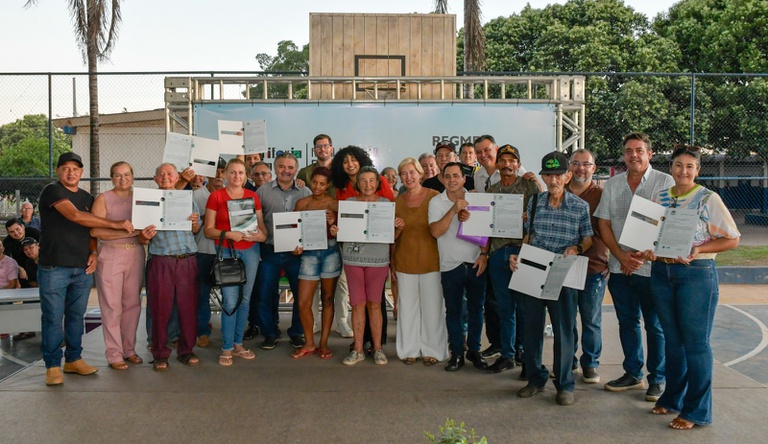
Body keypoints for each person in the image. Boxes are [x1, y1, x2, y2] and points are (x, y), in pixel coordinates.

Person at [644, 145, 740, 430]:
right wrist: (650, 250)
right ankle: (673, 398)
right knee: (673, 342)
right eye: (677, 165)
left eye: (689, 166)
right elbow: (651, 235)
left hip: (695, 274)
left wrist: (698, 251)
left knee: (696, 345)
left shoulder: (708, 199)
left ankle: (697, 411)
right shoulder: (661, 196)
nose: (682, 171)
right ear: (670, 168)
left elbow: (732, 239)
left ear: (697, 170)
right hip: (662, 271)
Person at [38, 152, 133, 386]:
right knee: (52, 317)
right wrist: (116, 224)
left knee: (75, 317)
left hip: (82, 268)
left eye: (76, 169)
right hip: (54, 267)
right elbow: (77, 217)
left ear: (82, 172)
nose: (71, 172)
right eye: (66, 168)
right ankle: (52, 365)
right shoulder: (52, 191)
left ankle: (73, 359)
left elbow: (90, 230)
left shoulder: (88, 197)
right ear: (58, 171)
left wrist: (93, 252)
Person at [594, 132, 673, 402]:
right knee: (627, 323)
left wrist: (640, 257)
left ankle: (657, 380)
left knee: (654, 326)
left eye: (639, 150)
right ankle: (632, 373)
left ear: (649, 154)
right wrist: (620, 255)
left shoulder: (666, 182)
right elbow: (603, 223)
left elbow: (669, 223)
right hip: (619, 268)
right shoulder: (613, 184)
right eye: (629, 150)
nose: (633, 155)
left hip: (651, 269)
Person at [511, 151, 593, 406]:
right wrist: (518, 256)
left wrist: (577, 249)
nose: (553, 179)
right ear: (543, 176)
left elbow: (588, 238)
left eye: (559, 175)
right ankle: (535, 379)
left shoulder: (580, 206)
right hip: (534, 270)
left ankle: (564, 384)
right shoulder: (534, 202)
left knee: (564, 331)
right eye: (549, 174)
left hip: (563, 272)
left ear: (568, 176)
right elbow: (528, 236)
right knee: (531, 328)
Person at [332, 166, 402, 366]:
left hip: (378, 260)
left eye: (372, 181)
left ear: (378, 183)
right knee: (357, 304)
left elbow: (391, 238)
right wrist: (336, 229)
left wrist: (398, 229)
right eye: (363, 181)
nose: (368, 185)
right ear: (357, 184)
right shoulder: (349, 203)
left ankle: (378, 349)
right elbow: (341, 232)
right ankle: (358, 350)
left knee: (374, 304)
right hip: (353, 260)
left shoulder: (386, 204)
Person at [483, 145, 540, 375]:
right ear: (497, 165)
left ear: (518, 164)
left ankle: (524, 354)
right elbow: (485, 226)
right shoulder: (492, 190)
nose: (507, 164)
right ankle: (507, 355)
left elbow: (541, 215)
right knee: (504, 308)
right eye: (503, 160)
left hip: (522, 252)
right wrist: (485, 254)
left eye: (512, 161)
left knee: (524, 308)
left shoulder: (529, 186)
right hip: (498, 253)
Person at [204, 158, 267, 366]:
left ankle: (239, 343)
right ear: (225, 174)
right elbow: (208, 230)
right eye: (233, 172)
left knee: (245, 299)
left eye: (241, 173)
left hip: (250, 250)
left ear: (246, 175)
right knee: (230, 301)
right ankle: (227, 347)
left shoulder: (253, 197)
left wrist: (259, 237)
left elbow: (262, 230)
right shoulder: (216, 197)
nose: (237, 176)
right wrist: (229, 234)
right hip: (227, 251)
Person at [141, 163, 201, 371]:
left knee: (188, 307)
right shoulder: (148, 202)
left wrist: (194, 224)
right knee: (160, 308)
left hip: (187, 259)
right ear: (155, 179)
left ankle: (186, 350)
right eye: (161, 174)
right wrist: (144, 236)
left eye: (170, 174)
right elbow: (142, 235)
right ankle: (159, 353)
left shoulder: (187, 199)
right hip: (161, 260)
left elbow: (196, 228)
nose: (166, 177)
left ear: (177, 178)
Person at [428, 162, 488, 372]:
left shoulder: (477, 197)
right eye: (448, 176)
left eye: (456, 176)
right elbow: (435, 232)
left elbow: (487, 229)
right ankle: (456, 353)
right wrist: (454, 210)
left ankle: (474, 350)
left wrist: (483, 254)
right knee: (452, 311)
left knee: (476, 310)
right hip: (450, 265)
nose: (452, 180)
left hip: (475, 263)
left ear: (464, 178)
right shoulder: (436, 202)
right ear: (442, 179)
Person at [90, 161, 149, 371]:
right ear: (111, 177)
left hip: (135, 253)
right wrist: (129, 233)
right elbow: (95, 231)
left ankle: (129, 350)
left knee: (132, 304)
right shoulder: (103, 199)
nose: (122, 179)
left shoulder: (142, 198)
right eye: (117, 175)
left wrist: (141, 235)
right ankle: (114, 354)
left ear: (133, 176)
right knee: (111, 306)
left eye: (126, 174)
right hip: (111, 253)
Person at [393, 157, 448, 365]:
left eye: (411, 172)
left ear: (420, 174)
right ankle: (409, 350)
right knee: (407, 308)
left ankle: (432, 351)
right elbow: (391, 237)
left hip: (431, 261)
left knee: (433, 308)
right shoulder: (397, 202)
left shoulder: (435, 197)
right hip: (405, 261)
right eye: (404, 174)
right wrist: (397, 229)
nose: (408, 177)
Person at [256, 152, 311, 350]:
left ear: (296, 170)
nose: (285, 171)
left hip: (297, 253)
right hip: (269, 250)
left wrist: (304, 244)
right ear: (275, 168)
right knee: (265, 293)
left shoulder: (305, 193)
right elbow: (255, 222)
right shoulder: (262, 191)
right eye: (281, 166)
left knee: (301, 294)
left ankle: (296, 332)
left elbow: (310, 224)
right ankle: (270, 333)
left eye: (290, 167)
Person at [565, 149, 610, 383]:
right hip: (564, 266)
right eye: (576, 163)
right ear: (569, 167)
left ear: (593, 168)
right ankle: (568, 361)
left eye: (586, 164)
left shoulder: (602, 195)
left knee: (591, 320)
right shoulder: (558, 193)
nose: (580, 168)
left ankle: (590, 363)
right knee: (567, 318)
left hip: (594, 268)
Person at [291, 167, 340, 359]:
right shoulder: (302, 203)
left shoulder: (335, 204)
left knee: (328, 300)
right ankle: (309, 342)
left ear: (328, 185)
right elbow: (295, 232)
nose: (317, 186)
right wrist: (296, 246)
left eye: (322, 183)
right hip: (308, 254)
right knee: (303, 302)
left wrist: (333, 222)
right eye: (315, 182)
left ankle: (324, 343)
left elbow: (342, 230)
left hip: (330, 252)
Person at [194, 175, 224, 348]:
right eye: (216, 171)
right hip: (202, 251)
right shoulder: (196, 196)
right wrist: (210, 218)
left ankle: (232, 334)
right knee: (202, 294)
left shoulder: (231, 194)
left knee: (230, 295)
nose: (219, 176)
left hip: (226, 252)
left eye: (223, 171)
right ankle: (202, 331)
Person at [243, 162, 272, 340]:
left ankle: (269, 325)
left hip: (271, 246)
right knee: (251, 289)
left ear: (270, 176)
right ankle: (253, 324)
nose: (261, 177)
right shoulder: (245, 193)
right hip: (250, 245)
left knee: (267, 288)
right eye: (257, 174)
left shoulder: (276, 191)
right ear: (251, 176)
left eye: (264, 174)